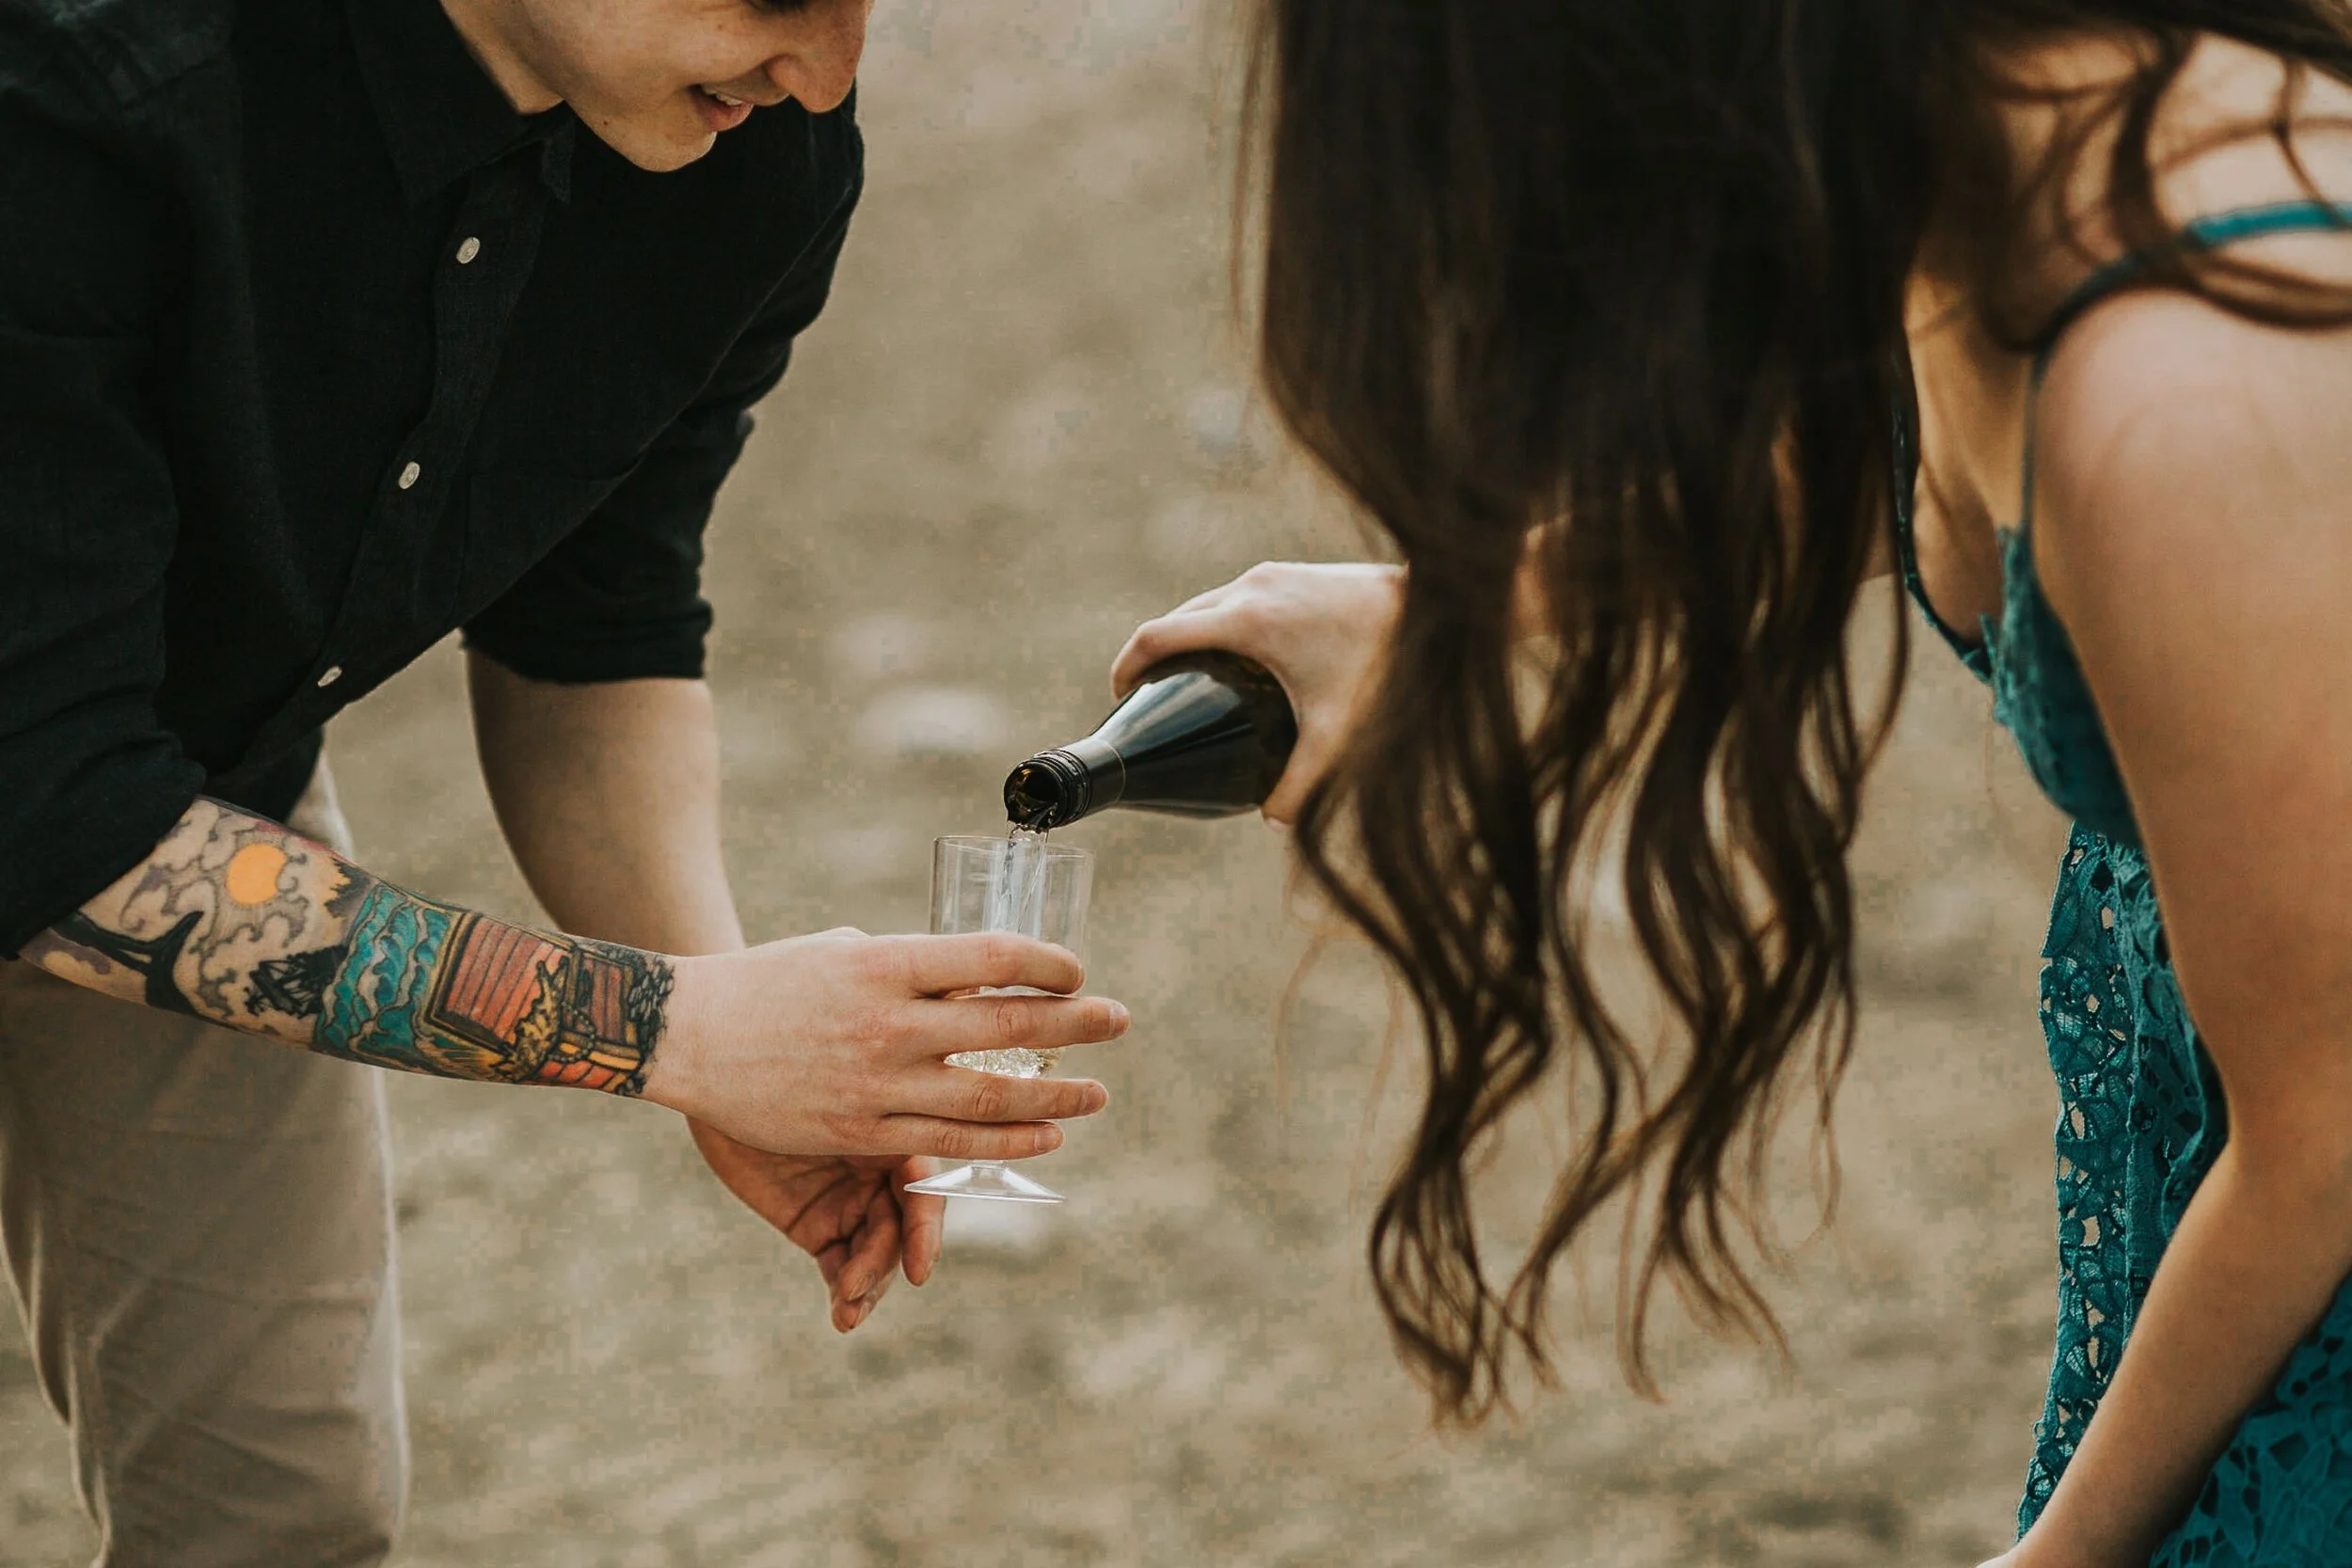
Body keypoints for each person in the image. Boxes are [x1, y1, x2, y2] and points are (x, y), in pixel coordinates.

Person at [1118, 2, 2352, 1562]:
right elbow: (1861, 430)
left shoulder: (2183, 385)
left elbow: (2325, 1133)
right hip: (2218, 1220)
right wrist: (1447, 613)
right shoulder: (1960, 113)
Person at [0, 0, 1129, 1560]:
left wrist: (733, 1023)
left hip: (188, 807)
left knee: (277, 1513)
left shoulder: (755, 156)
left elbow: (594, 627)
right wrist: (667, 1031)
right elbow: (45, 804)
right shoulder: (80, 81)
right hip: (74, 801)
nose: (826, 72)